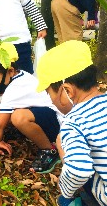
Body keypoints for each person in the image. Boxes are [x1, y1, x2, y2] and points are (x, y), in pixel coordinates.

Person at [36, 40, 107, 205]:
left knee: (66, 199)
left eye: (49, 94)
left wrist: (66, 192)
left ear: (66, 90)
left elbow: (79, 170)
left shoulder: (73, 123)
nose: (51, 101)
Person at [0, 43, 61, 173]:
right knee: (1, 111)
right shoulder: (19, 75)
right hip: (49, 115)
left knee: (18, 117)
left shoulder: (14, 89)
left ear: (10, 70)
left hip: (57, 123)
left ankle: (50, 150)